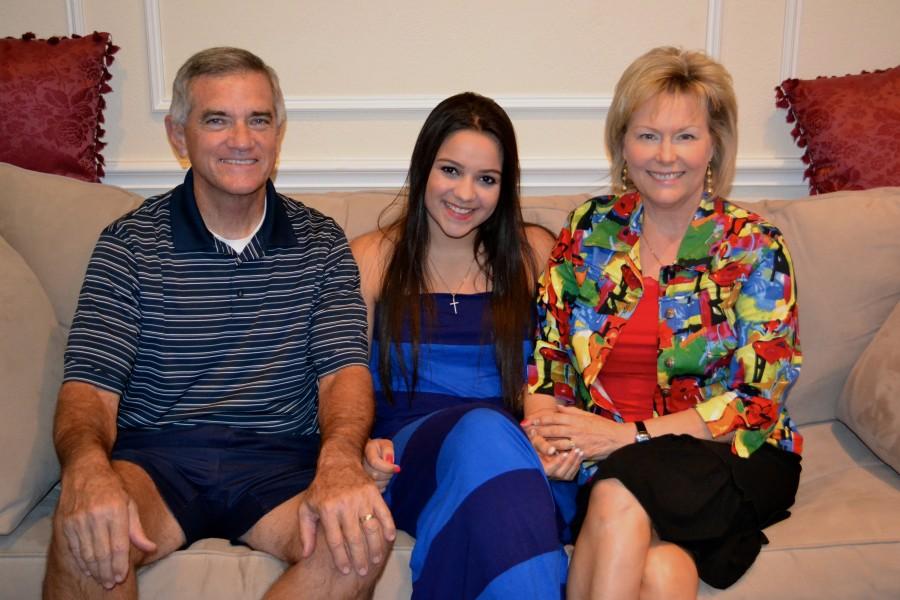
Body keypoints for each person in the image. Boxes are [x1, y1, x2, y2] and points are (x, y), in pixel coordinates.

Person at [43, 47, 393, 600]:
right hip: (157, 458)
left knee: (358, 541)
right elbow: (89, 388)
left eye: (258, 119)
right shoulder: (129, 245)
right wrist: (86, 472)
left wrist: (340, 460)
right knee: (86, 538)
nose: (242, 139)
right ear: (179, 136)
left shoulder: (322, 243)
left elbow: (343, 373)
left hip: (280, 459)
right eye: (216, 120)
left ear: (278, 134)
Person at [522, 47, 804, 599]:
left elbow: (756, 401)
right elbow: (548, 355)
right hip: (601, 456)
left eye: (686, 135)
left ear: (715, 144)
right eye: (648, 134)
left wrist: (623, 438)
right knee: (663, 570)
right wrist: (546, 435)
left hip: (729, 452)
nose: (666, 154)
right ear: (622, 144)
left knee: (621, 488)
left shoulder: (753, 246)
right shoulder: (590, 231)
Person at [351, 92, 571, 599]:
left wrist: (558, 441)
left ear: (505, 185)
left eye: (487, 179)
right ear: (423, 166)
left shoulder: (534, 253)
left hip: (522, 459)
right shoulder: (372, 259)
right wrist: (356, 449)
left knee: (495, 448)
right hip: (412, 462)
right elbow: (340, 381)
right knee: (482, 429)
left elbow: (563, 370)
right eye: (451, 170)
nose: (466, 193)